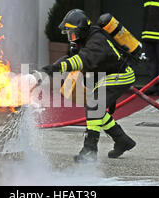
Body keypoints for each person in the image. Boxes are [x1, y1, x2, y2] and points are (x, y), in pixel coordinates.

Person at [42, 10, 137, 163]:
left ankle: (90, 149)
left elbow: (83, 60)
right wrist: (52, 68)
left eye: (73, 34)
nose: (71, 38)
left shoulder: (96, 41)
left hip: (120, 75)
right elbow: (74, 58)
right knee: (95, 108)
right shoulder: (84, 38)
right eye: (69, 34)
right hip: (105, 76)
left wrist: (57, 68)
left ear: (82, 30)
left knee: (94, 106)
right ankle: (122, 140)